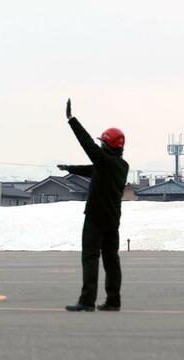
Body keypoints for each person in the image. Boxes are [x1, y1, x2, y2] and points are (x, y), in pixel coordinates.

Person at [58, 99, 129, 312]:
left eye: (102, 143)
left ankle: (87, 300)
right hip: (112, 220)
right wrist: (70, 168)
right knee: (111, 259)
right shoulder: (120, 166)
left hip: (96, 219)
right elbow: (93, 170)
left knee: (90, 256)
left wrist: (72, 120)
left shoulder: (104, 161)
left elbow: (86, 143)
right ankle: (113, 300)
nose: (99, 145)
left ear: (106, 145)